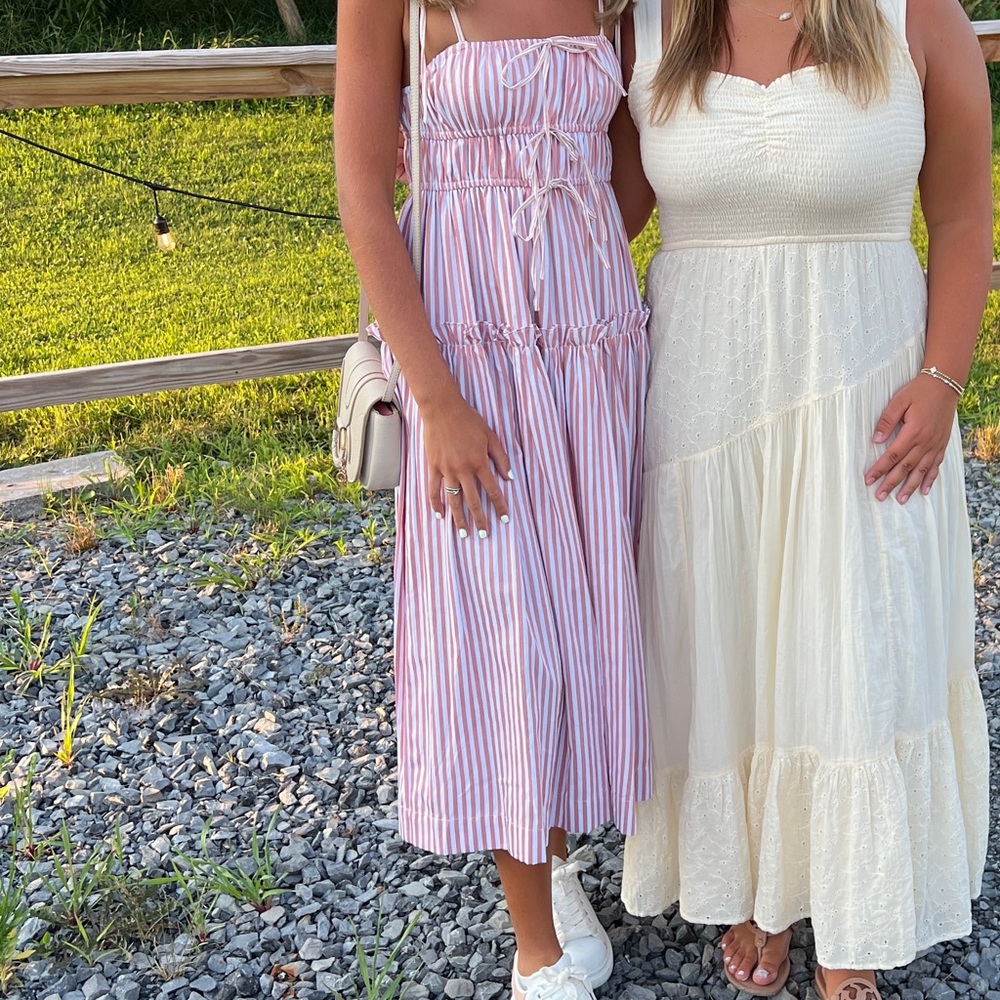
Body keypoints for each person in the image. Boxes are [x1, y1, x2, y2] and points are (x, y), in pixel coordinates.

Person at [609, 0, 993, 998]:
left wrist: (944, 379)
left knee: (855, 635)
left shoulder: (918, 16)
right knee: (722, 636)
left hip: (866, 395)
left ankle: (853, 919)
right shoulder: (647, 22)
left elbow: (960, 214)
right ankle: (754, 889)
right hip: (704, 408)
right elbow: (595, 205)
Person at [334, 3, 651, 998]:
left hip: (590, 345)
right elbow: (359, 192)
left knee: (586, 604)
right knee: (503, 618)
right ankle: (535, 947)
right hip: (465, 352)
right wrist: (431, 388)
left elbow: (631, 175)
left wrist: (563, 243)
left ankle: (555, 855)